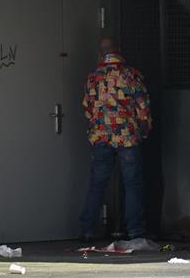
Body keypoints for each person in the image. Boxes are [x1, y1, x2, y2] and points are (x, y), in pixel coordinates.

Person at [79, 37, 152, 241]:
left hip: (101, 137)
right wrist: (143, 131)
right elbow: (143, 108)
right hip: (127, 138)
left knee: (97, 184)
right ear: (119, 50)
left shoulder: (93, 78)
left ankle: (87, 229)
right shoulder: (130, 75)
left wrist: (97, 128)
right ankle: (135, 231)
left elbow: (87, 108)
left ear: (101, 53)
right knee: (132, 184)